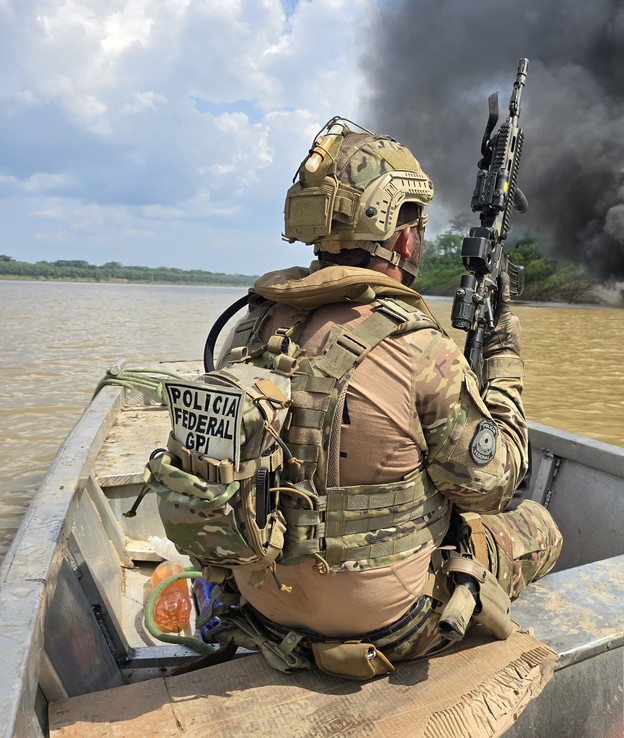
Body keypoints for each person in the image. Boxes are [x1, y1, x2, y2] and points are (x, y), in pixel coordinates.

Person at [197, 117, 562, 677]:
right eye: (415, 219)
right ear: (399, 230)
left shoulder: (249, 329)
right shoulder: (418, 347)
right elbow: (492, 486)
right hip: (391, 623)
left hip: (264, 609)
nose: (417, 235)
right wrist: (503, 353)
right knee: (538, 523)